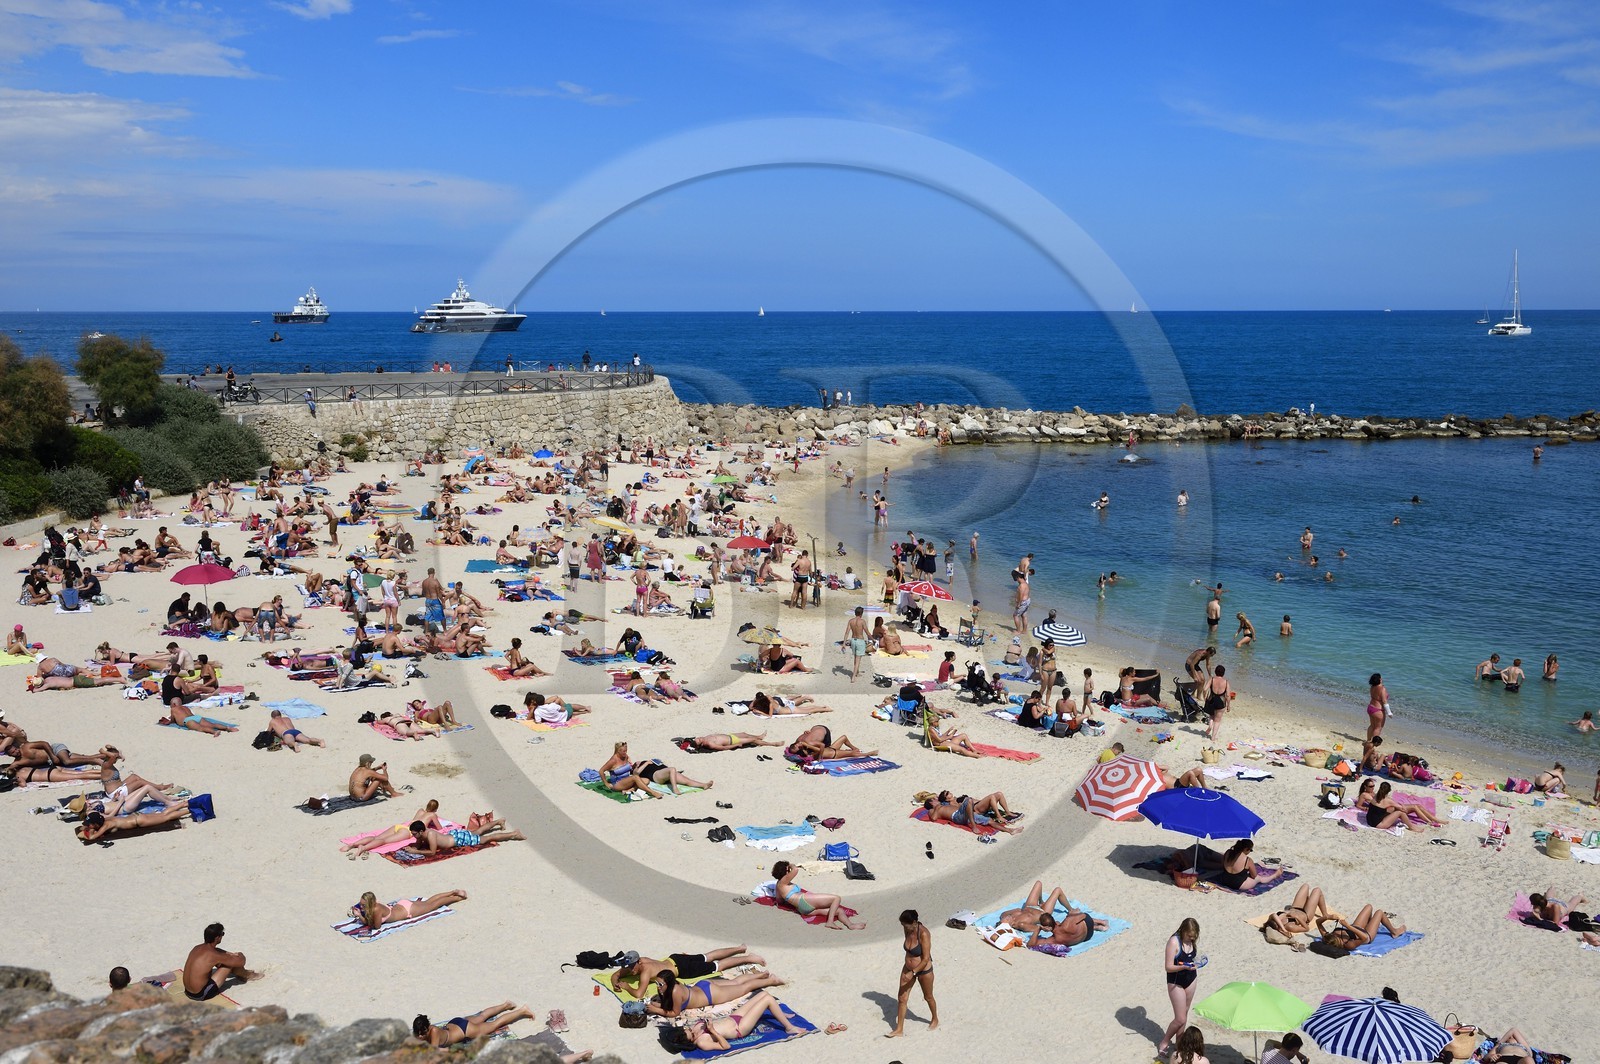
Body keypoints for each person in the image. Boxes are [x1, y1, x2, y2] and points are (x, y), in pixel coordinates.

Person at [663, 991, 803, 1053]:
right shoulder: (702, 1043)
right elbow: (726, 1046)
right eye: (692, 1034)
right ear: (690, 1041)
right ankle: (789, 1027)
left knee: (764, 994)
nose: (693, 1031)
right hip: (740, 1028)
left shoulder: (692, 1030)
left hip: (733, 1018)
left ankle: (779, 1013)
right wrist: (712, 1031)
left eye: (689, 1030)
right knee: (768, 1000)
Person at [609, 946, 767, 998]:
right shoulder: (641, 961)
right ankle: (739, 948)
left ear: (638, 962)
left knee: (717, 966)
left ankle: (748, 958)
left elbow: (639, 994)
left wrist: (626, 987)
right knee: (707, 956)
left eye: (632, 966)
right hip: (675, 958)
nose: (630, 969)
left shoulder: (645, 972)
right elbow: (615, 974)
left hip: (682, 969)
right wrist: (615, 982)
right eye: (628, 966)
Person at [648, 970, 788, 1019]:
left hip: (711, 995)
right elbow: (667, 1005)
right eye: (657, 983)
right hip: (703, 986)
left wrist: (656, 1009)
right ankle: (761, 975)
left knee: (743, 988)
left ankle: (771, 980)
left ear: (668, 983)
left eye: (660, 984)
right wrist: (654, 1004)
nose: (657, 986)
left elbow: (675, 1012)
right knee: (735, 982)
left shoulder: (675, 992)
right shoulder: (672, 987)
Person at [770, 859, 865, 930]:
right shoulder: (783, 882)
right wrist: (790, 865)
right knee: (836, 898)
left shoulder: (779, 885)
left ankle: (850, 925)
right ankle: (830, 922)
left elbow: (779, 900)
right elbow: (795, 870)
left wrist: (788, 900)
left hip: (803, 909)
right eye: (788, 870)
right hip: (803, 900)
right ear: (785, 871)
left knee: (839, 910)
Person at [887, 909, 937, 1038]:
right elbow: (909, 951)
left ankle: (935, 1018)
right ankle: (899, 1029)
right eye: (902, 925)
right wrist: (908, 969)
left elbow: (925, 958)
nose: (904, 928)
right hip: (908, 968)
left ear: (914, 922)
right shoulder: (907, 930)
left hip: (924, 970)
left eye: (906, 925)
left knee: (928, 997)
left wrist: (913, 972)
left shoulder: (924, 934)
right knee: (902, 998)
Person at [1158, 918, 1202, 1055]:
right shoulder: (1173, 942)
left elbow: (1191, 958)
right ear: (1183, 931)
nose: (1191, 939)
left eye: (1194, 937)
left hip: (1191, 978)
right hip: (1176, 981)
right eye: (1189, 936)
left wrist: (1197, 963)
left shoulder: (1191, 941)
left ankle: (1179, 1043)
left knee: (1185, 1013)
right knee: (1180, 1018)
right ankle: (1165, 1041)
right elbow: (1168, 967)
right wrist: (1183, 967)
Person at [182, 923, 257, 1002]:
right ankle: (248, 975)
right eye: (222, 934)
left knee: (225, 960)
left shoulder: (197, 948)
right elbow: (241, 962)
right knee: (228, 964)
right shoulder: (214, 955)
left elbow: (217, 952)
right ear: (217, 938)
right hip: (200, 994)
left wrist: (228, 954)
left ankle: (243, 974)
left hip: (187, 991)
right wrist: (240, 954)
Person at [413, 1003, 536, 1047]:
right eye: (418, 1034)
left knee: (495, 1024)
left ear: (427, 1028)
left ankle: (522, 1010)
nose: (420, 1036)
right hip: (455, 1023)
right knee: (482, 1016)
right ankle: (506, 1005)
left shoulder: (434, 1032)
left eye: (422, 1034)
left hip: (465, 1030)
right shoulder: (421, 1031)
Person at [358, 889, 468, 929]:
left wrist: (360, 917)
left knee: (433, 905)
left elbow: (376, 926)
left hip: (408, 910)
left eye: (363, 905)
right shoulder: (375, 904)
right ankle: (452, 892)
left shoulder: (376, 910)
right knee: (428, 902)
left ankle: (457, 898)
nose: (361, 907)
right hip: (403, 905)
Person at [1317, 905, 1406, 950]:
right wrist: (1348, 926)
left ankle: (1372, 924)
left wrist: (1329, 917)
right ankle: (1394, 932)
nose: (1333, 933)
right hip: (1367, 935)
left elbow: (1318, 922)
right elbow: (1364, 938)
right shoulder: (1348, 944)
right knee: (1379, 913)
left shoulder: (1327, 938)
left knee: (1368, 907)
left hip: (1356, 927)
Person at [1262, 884, 1331, 940]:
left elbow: (1274, 915)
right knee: (1317, 890)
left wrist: (1280, 925)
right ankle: (1325, 914)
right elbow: (1306, 928)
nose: (1279, 920)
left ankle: (1308, 902)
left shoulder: (1274, 918)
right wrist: (1297, 917)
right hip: (1306, 914)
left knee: (1305, 886)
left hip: (1296, 907)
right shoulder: (1289, 926)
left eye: (1276, 920)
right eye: (1278, 923)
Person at [1204, 665, 1231, 741]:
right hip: (1220, 702)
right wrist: (1228, 705)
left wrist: (1205, 696)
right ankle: (1213, 737)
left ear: (1215, 672)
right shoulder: (1226, 682)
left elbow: (1205, 689)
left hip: (1211, 699)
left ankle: (1210, 726)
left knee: (1211, 716)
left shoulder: (1212, 679)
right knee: (1217, 720)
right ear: (1223, 673)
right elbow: (1228, 695)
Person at [844, 606, 869, 683]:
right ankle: (853, 677)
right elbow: (867, 632)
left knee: (855, 657)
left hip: (853, 640)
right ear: (861, 613)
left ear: (855, 613)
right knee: (858, 660)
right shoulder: (862, 621)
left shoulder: (851, 621)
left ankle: (857, 672)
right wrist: (872, 639)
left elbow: (847, 632)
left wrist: (844, 643)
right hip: (860, 641)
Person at [1366, 672, 1390, 743]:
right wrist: (1389, 712)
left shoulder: (1372, 687)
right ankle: (1373, 743)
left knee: (1372, 726)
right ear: (1379, 679)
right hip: (1378, 710)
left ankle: (1368, 740)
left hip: (1370, 708)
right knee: (1378, 728)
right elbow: (1384, 701)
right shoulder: (1382, 689)